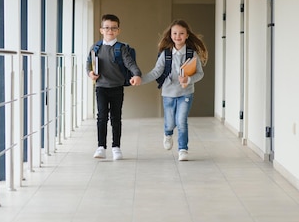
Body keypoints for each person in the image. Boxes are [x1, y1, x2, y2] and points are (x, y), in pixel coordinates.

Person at [140, 19, 208, 161]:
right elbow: (156, 72)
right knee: (170, 121)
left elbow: (200, 74)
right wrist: (141, 79)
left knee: (181, 121)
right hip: (168, 93)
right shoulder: (166, 54)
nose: (178, 36)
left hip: (186, 93)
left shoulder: (191, 54)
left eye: (181, 33)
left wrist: (188, 80)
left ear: (187, 35)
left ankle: (183, 149)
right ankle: (168, 133)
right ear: (170, 35)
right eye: (175, 33)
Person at [86, 14, 142, 160]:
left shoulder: (121, 48)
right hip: (101, 87)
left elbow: (130, 63)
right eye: (107, 28)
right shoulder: (96, 47)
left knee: (116, 118)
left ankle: (116, 147)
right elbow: (88, 64)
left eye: (113, 28)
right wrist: (90, 73)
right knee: (101, 117)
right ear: (101, 30)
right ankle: (101, 147)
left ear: (118, 30)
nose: (110, 31)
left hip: (117, 88)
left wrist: (136, 74)